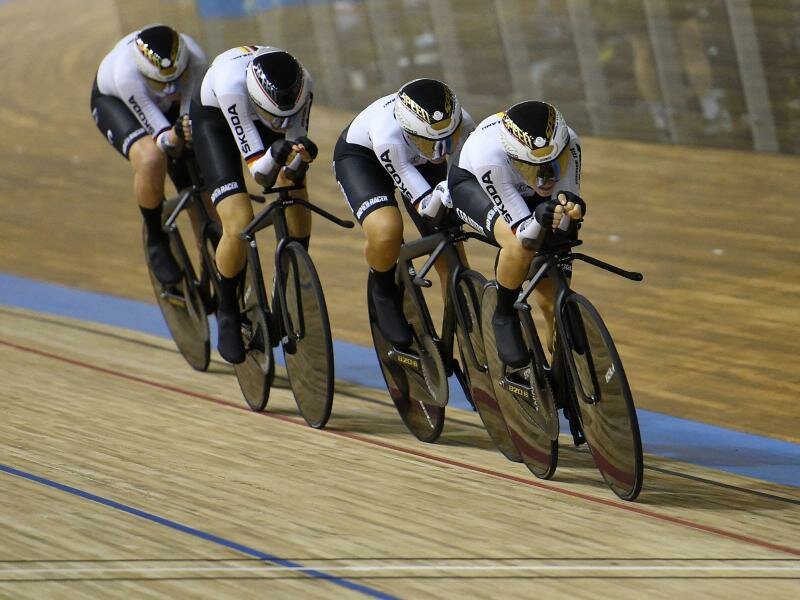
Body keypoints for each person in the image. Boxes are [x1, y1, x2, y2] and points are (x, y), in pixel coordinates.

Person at [190, 46, 317, 364]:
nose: (280, 123)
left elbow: (293, 148)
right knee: (238, 221)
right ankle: (227, 308)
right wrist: (276, 154)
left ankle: (290, 275)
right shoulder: (233, 86)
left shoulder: (305, 84)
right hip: (218, 121)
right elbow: (260, 175)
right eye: (276, 117)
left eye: (285, 117)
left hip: (264, 112)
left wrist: (299, 158)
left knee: (296, 189)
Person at [333, 78, 473, 348]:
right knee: (386, 231)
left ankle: (468, 336)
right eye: (429, 141)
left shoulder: (464, 125)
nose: (439, 151)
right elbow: (426, 206)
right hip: (364, 160)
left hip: (416, 160)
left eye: (447, 139)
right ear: (409, 131)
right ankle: (383, 288)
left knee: (451, 249)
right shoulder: (390, 136)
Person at [444, 100, 585, 368]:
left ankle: (562, 375)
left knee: (552, 291)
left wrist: (571, 211)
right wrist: (541, 217)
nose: (547, 179)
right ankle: (504, 313)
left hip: (525, 191)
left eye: (555, 165)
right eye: (535, 169)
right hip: (475, 186)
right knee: (519, 248)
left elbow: (566, 215)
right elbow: (524, 234)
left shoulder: (572, 144)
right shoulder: (491, 157)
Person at [91, 24, 208, 285]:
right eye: (161, 82)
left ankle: (212, 267)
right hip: (119, 104)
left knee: (203, 184)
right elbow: (166, 141)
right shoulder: (126, 75)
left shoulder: (197, 60)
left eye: (177, 79)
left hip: (168, 111)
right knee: (153, 160)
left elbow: (190, 120)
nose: (170, 89)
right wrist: (178, 135)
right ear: (146, 73)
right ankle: (156, 238)